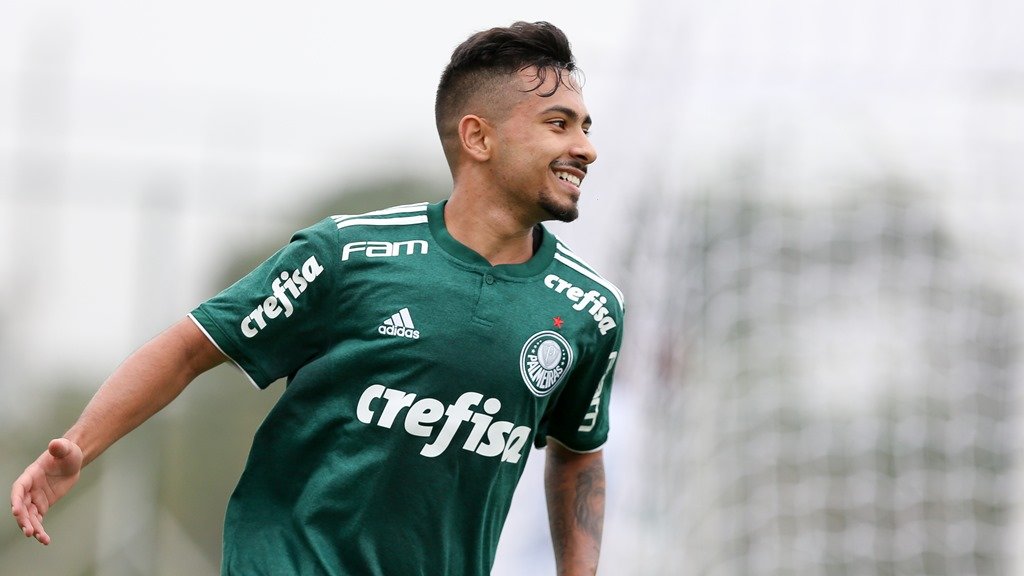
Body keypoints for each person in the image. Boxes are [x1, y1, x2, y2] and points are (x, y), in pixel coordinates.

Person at [11, 20, 625, 575]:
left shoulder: (591, 309)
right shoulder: (348, 254)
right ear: (478, 137)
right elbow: (188, 349)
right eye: (558, 124)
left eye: (585, 127)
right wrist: (79, 446)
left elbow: (578, 452)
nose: (586, 148)